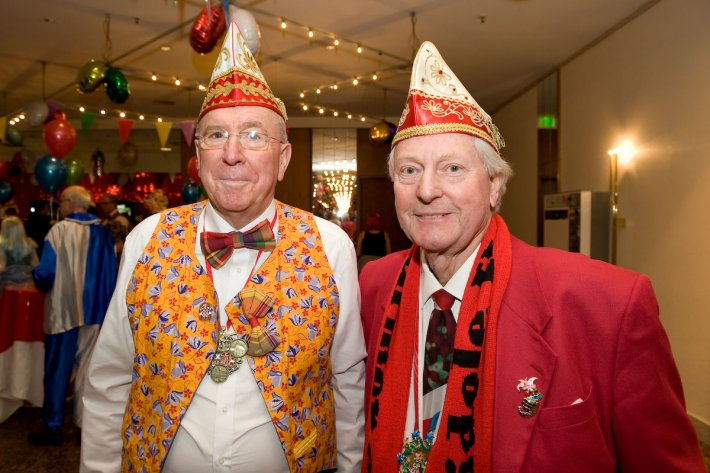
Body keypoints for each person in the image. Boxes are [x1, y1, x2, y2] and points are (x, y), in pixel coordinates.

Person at [359, 41, 705, 472]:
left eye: (452, 168)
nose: (426, 190)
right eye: (409, 170)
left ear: (495, 187)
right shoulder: (374, 284)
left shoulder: (606, 303)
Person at [81, 20, 366, 473]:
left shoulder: (331, 247)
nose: (232, 153)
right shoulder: (146, 238)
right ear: (199, 157)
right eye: (216, 135)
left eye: (253, 135)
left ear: (283, 158)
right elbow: (110, 381)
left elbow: (347, 383)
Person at [28, 185, 118, 446]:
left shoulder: (58, 231)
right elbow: (113, 273)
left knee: (57, 371)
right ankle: (84, 425)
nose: (61, 205)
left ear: (69, 202)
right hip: (96, 311)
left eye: (62, 201)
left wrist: (35, 274)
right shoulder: (103, 234)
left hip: (62, 311)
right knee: (89, 372)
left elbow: (45, 275)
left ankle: (53, 426)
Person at [0, 215, 39, 289]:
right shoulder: (29, 243)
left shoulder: (2, 245)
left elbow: (2, 267)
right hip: (28, 282)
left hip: (7, 283)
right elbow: (36, 265)